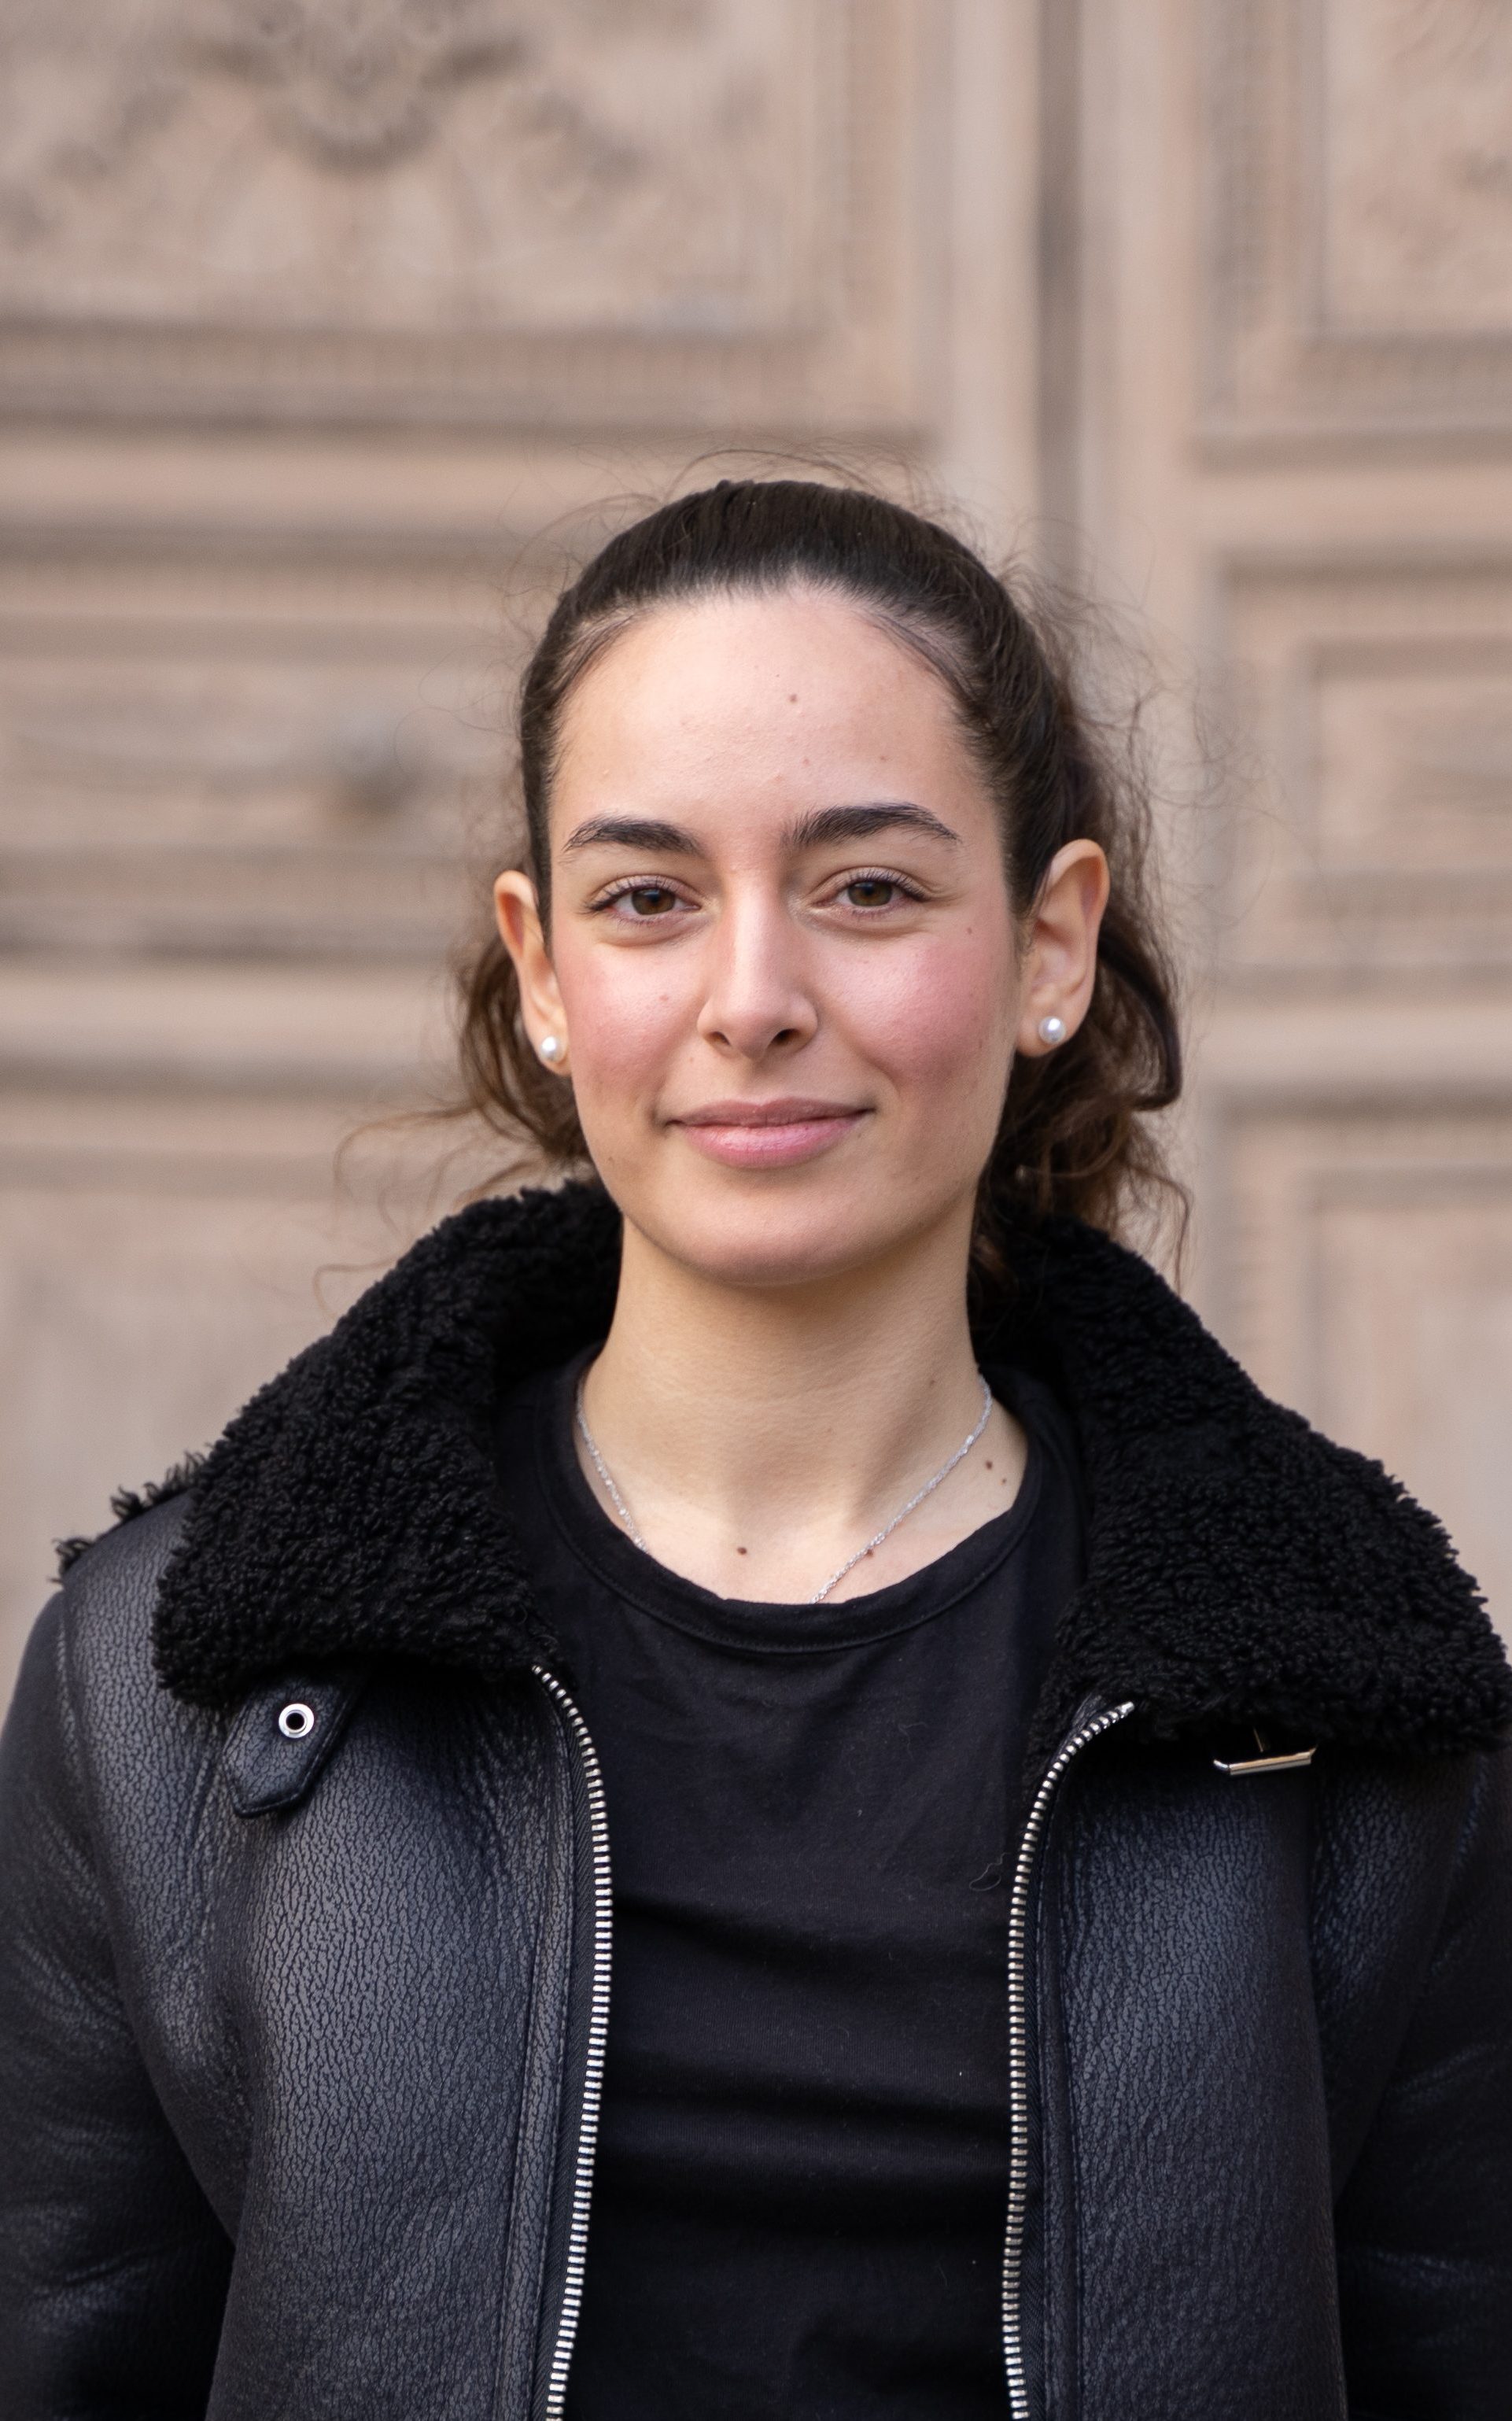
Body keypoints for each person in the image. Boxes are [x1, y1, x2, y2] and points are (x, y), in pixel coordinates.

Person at [1, 479, 1508, 2421]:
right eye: (649, 899)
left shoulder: (1350, 1715)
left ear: (1051, 944)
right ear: (545, 973)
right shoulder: (172, 1693)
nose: (753, 1003)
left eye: (866, 888)